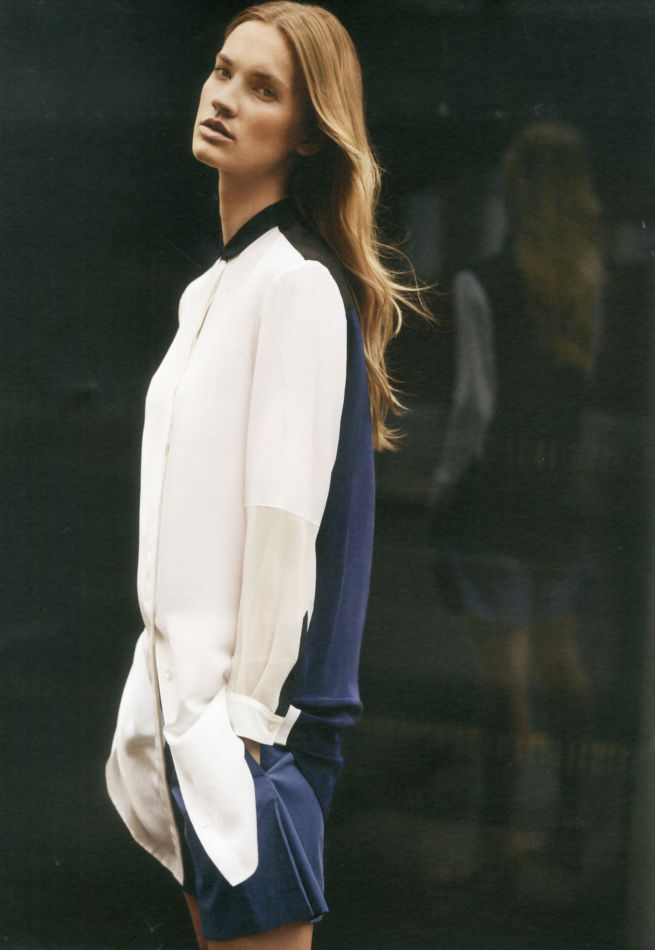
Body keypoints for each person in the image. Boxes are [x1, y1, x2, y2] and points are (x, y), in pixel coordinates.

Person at [105, 3, 428, 948]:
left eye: (262, 88)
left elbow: (284, 522)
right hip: (188, 712)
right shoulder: (212, 290)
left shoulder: (295, 284)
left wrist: (245, 728)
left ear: (307, 133)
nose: (224, 98)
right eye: (222, 71)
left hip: (247, 729)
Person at [430, 122, 604, 878]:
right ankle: (571, 823)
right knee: (563, 664)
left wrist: (443, 489)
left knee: (503, 677)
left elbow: (476, 404)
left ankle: (496, 838)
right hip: (558, 494)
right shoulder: (588, 282)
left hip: (495, 493)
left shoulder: (482, 282)